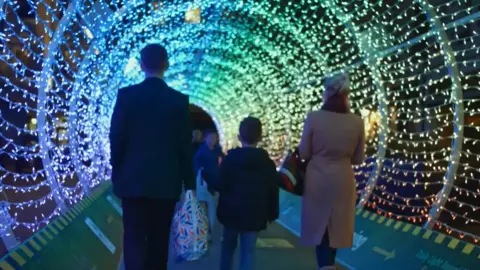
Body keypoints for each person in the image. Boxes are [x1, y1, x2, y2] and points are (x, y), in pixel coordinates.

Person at [109, 44, 195, 270]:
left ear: (141, 65)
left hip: (132, 182)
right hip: (166, 185)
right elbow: (184, 147)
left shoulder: (127, 96)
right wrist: (190, 183)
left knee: (134, 240)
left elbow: (116, 136)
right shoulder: (179, 101)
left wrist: (117, 167)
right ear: (166, 65)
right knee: (159, 241)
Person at [298, 73, 365, 270]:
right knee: (337, 229)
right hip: (343, 180)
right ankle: (329, 264)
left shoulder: (314, 117)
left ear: (327, 93)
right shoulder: (357, 121)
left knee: (321, 229)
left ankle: (325, 266)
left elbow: (304, 152)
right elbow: (359, 158)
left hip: (317, 178)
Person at [217, 117, 279, 270]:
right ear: (260, 138)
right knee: (249, 252)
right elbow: (272, 189)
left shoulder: (230, 159)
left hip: (231, 212)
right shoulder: (267, 162)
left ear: (239, 137)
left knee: (227, 249)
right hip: (255, 213)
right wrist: (272, 213)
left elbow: (222, 184)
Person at [194, 129, 223, 242]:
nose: (213, 140)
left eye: (215, 138)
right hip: (203, 184)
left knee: (211, 210)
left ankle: (207, 233)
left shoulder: (217, 151)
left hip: (214, 185)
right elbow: (196, 169)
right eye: (211, 137)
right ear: (205, 138)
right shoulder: (201, 152)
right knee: (203, 209)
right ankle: (204, 233)